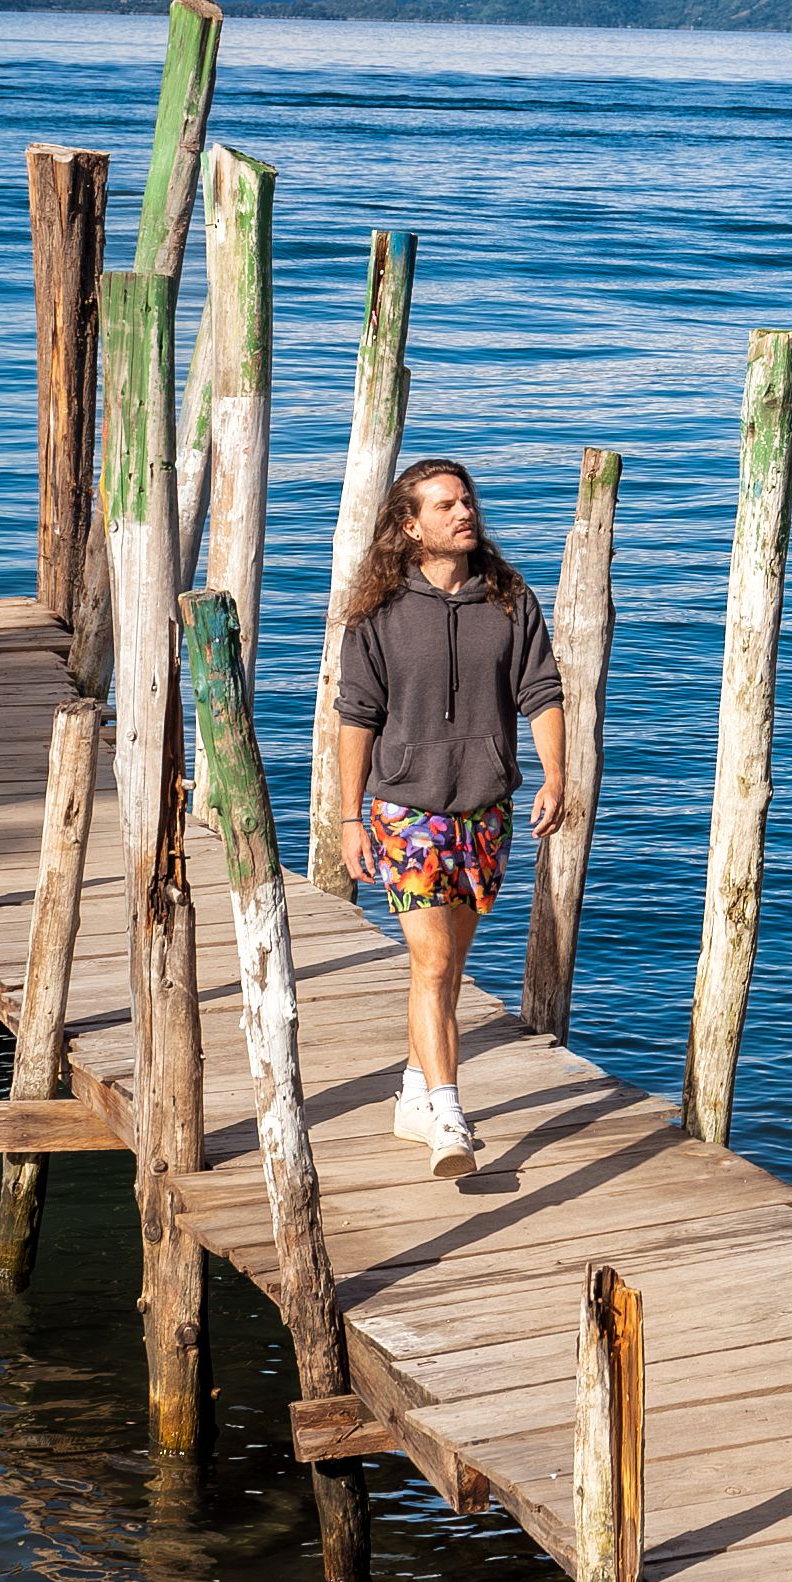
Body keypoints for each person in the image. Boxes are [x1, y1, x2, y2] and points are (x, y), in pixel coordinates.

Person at [333, 458, 565, 1181]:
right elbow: (356, 719)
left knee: (447, 966)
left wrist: (556, 774)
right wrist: (349, 818)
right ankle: (448, 1115)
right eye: (445, 505)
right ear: (410, 526)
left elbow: (542, 691)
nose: (464, 513)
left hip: (483, 807)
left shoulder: (508, 597)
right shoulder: (377, 613)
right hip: (405, 806)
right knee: (432, 961)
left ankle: (410, 1091)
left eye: (466, 501)